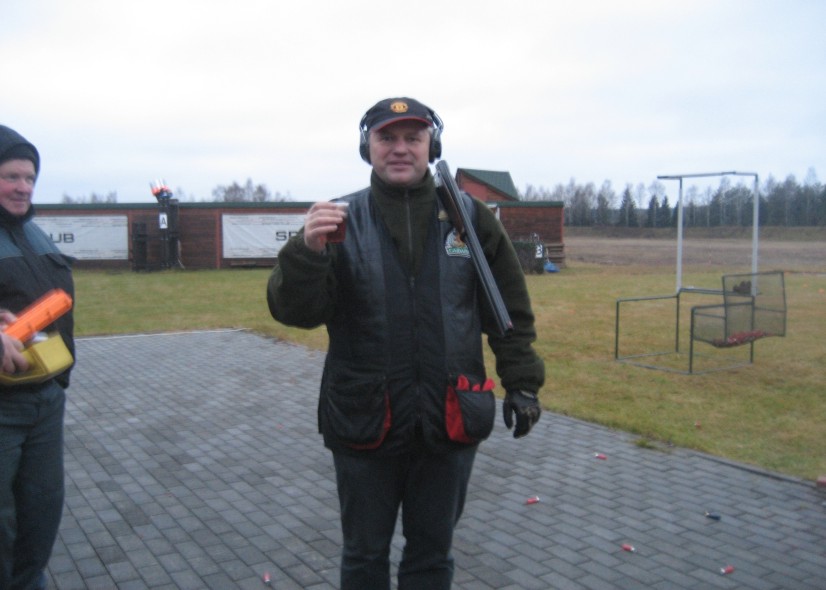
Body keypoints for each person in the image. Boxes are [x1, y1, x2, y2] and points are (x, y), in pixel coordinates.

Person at [267, 97, 544, 590]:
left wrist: (522, 383)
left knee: (432, 558)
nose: (400, 148)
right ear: (367, 147)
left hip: (448, 418)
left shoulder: (470, 219)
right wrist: (306, 252)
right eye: (387, 138)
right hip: (364, 419)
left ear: (431, 146)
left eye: (413, 138)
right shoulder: (338, 220)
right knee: (364, 556)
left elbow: (508, 312)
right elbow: (296, 313)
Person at [0, 125, 75, 590]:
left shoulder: (33, 234)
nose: (23, 187)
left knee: (41, 514)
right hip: (3, 408)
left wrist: (59, 381)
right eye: (10, 176)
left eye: (29, 177)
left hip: (45, 400)